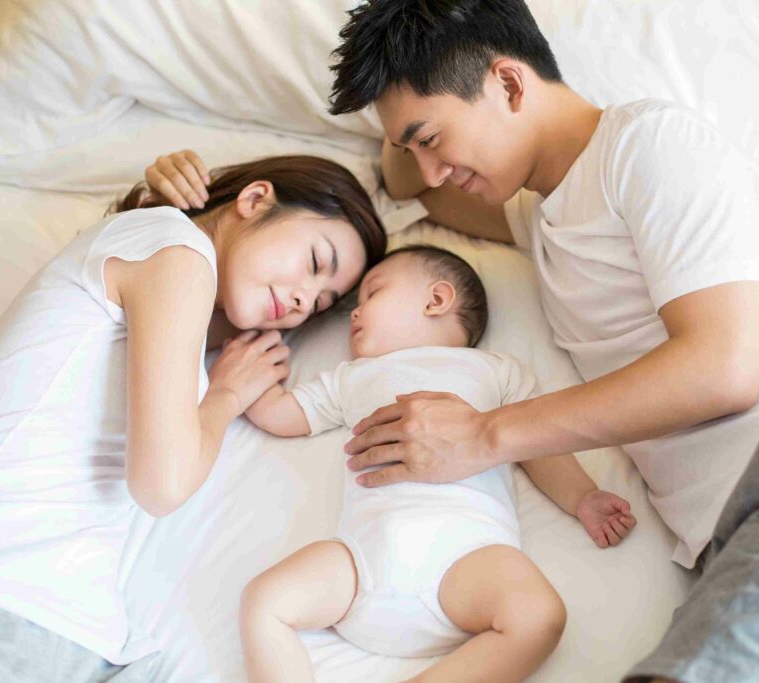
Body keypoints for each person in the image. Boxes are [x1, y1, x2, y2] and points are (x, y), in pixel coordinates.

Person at [150, 3, 759, 683]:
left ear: (510, 84)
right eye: (419, 145)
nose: (433, 169)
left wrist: (484, 435)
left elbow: (721, 366)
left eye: (437, 137)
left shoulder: (649, 146)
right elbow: (404, 181)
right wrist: (390, 131)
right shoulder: (535, 214)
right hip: (758, 535)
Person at [0, 153, 387, 682]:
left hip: (55, 616)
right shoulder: (178, 253)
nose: (300, 300)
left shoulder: (168, 260)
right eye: (314, 262)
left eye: (318, 302)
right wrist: (224, 396)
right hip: (15, 599)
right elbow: (162, 486)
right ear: (255, 199)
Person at [237, 244, 636, 683]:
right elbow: (283, 415)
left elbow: (535, 443)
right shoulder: (353, 377)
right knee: (263, 601)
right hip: (361, 562)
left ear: (436, 300)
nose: (354, 313)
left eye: (373, 293)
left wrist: (582, 497)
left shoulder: (496, 371)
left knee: (539, 617)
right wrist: (244, 381)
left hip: (464, 560)